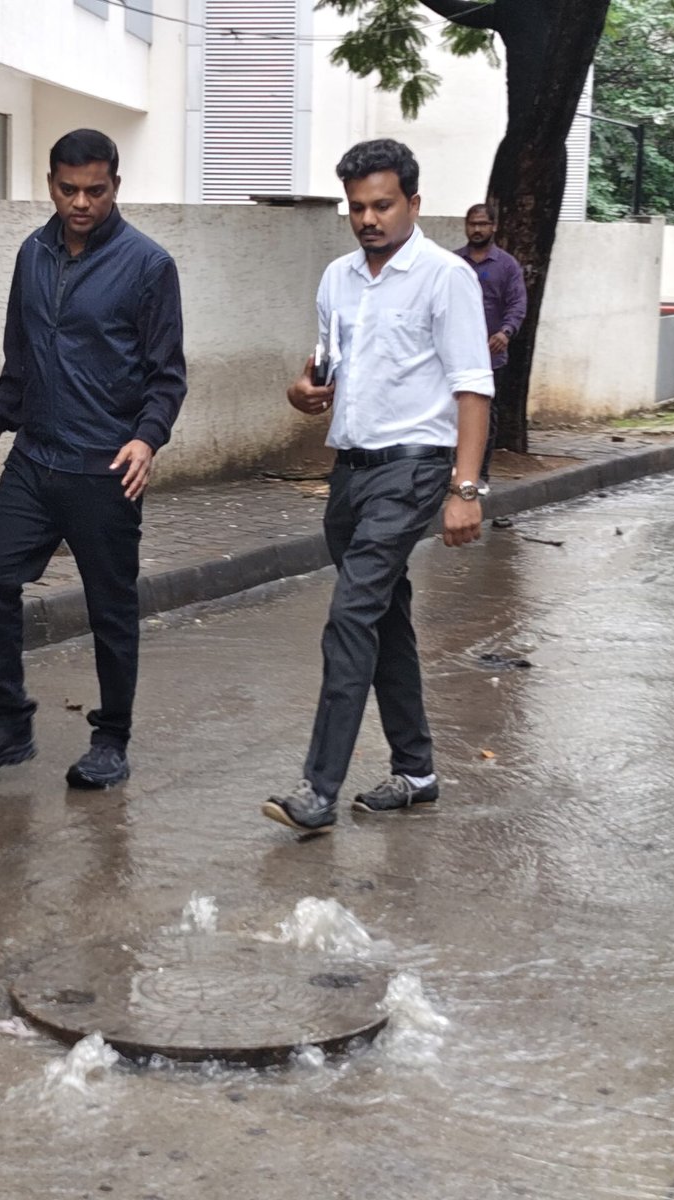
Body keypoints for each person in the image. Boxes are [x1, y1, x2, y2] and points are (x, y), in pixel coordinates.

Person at [262, 138, 491, 835]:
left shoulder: (446, 277)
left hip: (415, 466)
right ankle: (417, 772)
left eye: (383, 205)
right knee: (384, 620)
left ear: (414, 204)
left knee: (350, 615)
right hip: (350, 471)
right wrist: (305, 392)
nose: (369, 218)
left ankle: (318, 790)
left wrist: (465, 489)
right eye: (357, 207)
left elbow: (473, 387)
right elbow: (326, 371)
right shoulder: (337, 279)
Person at [0, 129, 186, 789]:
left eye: (95, 191)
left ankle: (110, 739)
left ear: (115, 185)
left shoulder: (148, 265)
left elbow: (168, 376)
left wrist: (147, 437)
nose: (81, 202)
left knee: (110, 606)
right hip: (36, 459)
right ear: (50, 183)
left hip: (106, 467)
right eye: (67, 189)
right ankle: (10, 723)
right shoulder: (32, 254)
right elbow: (19, 357)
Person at [454, 202, 526, 480]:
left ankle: (478, 474)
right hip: (456, 352)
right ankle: (448, 472)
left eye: (482, 224)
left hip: (489, 354)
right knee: (452, 412)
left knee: (485, 414)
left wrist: (505, 332)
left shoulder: (507, 265)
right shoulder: (453, 262)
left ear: (494, 226)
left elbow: (517, 304)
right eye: (472, 224)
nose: (477, 229)